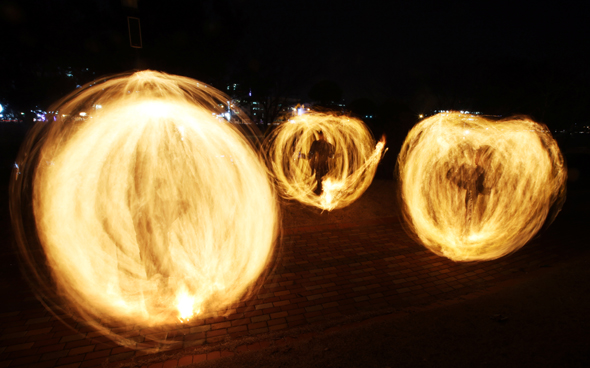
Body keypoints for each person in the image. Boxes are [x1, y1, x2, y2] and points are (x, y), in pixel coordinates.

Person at [308, 131, 335, 195]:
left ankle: (322, 190)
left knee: (322, 177)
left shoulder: (328, 145)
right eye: (320, 135)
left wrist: (331, 154)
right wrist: (310, 156)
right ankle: (320, 190)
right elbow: (311, 152)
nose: (321, 137)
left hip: (324, 164)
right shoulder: (315, 144)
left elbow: (331, 154)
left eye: (322, 135)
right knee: (318, 177)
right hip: (318, 164)